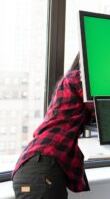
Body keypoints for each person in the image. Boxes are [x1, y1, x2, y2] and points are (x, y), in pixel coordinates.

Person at [12, 53, 95, 199]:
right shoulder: (78, 77)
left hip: (36, 167)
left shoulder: (69, 81)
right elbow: (102, 112)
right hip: (40, 168)